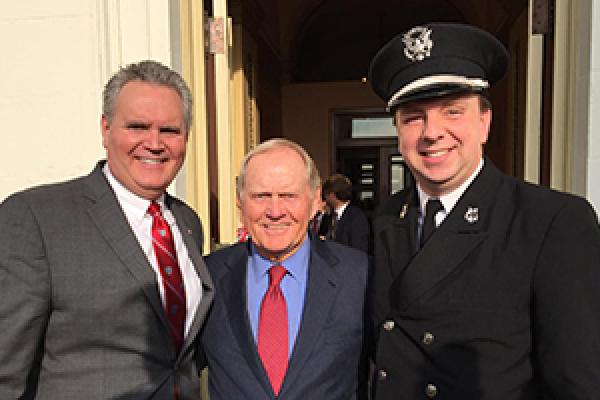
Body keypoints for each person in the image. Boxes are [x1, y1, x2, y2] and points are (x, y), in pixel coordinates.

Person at [367, 22, 600, 399]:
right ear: (398, 131)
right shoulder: (383, 220)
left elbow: (578, 384)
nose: (432, 132)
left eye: (452, 111)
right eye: (413, 117)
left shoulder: (551, 221)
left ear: (484, 122)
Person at [0, 60, 214, 399]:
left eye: (169, 130)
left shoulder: (188, 223)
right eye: (137, 126)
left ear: (186, 137)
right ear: (105, 129)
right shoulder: (36, 218)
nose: (154, 143)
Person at [201, 138, 369, 400]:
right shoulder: (207, 276)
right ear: (240, 203)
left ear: (315, 202)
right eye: (261, 196)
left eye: (289, 196)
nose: (275, 211)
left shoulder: (359, 276)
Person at [321, 173, 371, 253]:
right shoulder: (329, 217)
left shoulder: (356, 217)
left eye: (325, 195)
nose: (324, 200)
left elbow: (358, 250)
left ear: (332, 195)